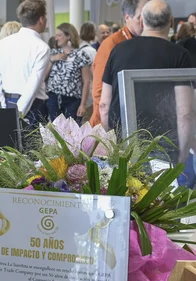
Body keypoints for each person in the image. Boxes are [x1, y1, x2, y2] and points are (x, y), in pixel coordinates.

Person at [99, 0, 194, 164]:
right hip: (165, 147)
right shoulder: (180, 55)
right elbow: (185, 112)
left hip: (124, 145)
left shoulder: (118, 51)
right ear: (171, 22)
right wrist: (184, 152)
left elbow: (104, 105)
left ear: (142, 21)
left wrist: (111, 139)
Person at [0, 0, 50, 125]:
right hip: (32, 107)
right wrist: (17, 114)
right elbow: (32, 86)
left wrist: (0, 108)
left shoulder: (3, 43)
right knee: (32, 144)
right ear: (42, 19)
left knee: (3, 143)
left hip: (5, 101)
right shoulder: (41, 47)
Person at [90, 0, 149, 127]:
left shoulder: (145, 40)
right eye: (141, 17)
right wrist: (106, 129)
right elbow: (99, 93)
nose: (147, 21)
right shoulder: (111, 44)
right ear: (127, 17)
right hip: (112, 123)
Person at [46, 23, 93, 121]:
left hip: (72, 100)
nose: (56, 38)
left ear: (68, 36)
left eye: (59, 35)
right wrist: (52, 59)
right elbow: (43, 77)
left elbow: (87, 81)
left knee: (71, 132)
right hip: (53, 98)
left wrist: (83, 105)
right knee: (54, 131)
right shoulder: (53, 53)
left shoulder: (81, 55)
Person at [79, 23, 98, 121]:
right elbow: (95, 73)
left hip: (78, 92)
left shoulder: (77, 49)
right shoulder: (91, 51)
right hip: (89, 92)